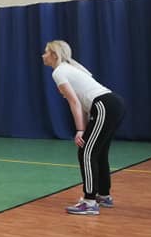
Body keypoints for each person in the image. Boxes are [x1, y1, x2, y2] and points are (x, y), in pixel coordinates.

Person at [41, 40, 126, 215]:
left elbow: (75, 102)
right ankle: (103, 196)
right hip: (112, 104)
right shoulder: (69, 68)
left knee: (86, 152)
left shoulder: (59, 71)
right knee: (98, 152)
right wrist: (84, 129)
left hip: (104, 105)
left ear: (54, 55)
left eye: (46, 52)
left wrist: (80, 130)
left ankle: (89, 202)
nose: (43, 55)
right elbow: (82, 102)